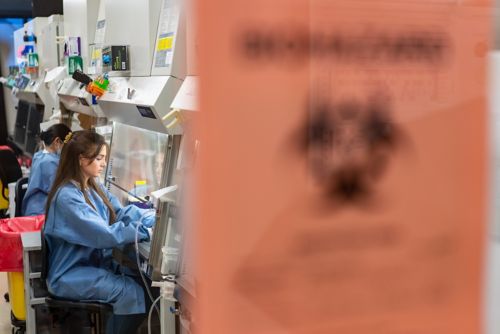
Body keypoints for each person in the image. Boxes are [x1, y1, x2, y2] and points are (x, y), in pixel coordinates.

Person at [43, 130, 156, 334]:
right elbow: (104, 235)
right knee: (130, 293)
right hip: (70, 274)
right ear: (81, 159)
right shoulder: (67, 197)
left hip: (92, 265)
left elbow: (120, 213)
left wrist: (154, 218)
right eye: (100, 158)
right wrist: (144, 231)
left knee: (147, 286)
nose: (104, 164)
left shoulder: (93, 186)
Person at [22, 123, 71, 216]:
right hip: (40, 213)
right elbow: (59, 193)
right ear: (57, 142)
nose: (69, 151)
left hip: (34, 208)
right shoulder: (49, 163)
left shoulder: (39, 155)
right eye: (68, 147)